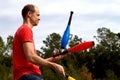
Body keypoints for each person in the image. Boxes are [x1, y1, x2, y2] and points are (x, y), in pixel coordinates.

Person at [12, 4, 66, 80]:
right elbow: (31, 57)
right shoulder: (25, 30)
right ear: (29, 14)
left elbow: (33, 62)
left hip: (27, 76)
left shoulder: (21, 30)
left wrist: (53, 58)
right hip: (28, 75)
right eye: (37, 15)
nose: (39, 18)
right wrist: (53, 65)